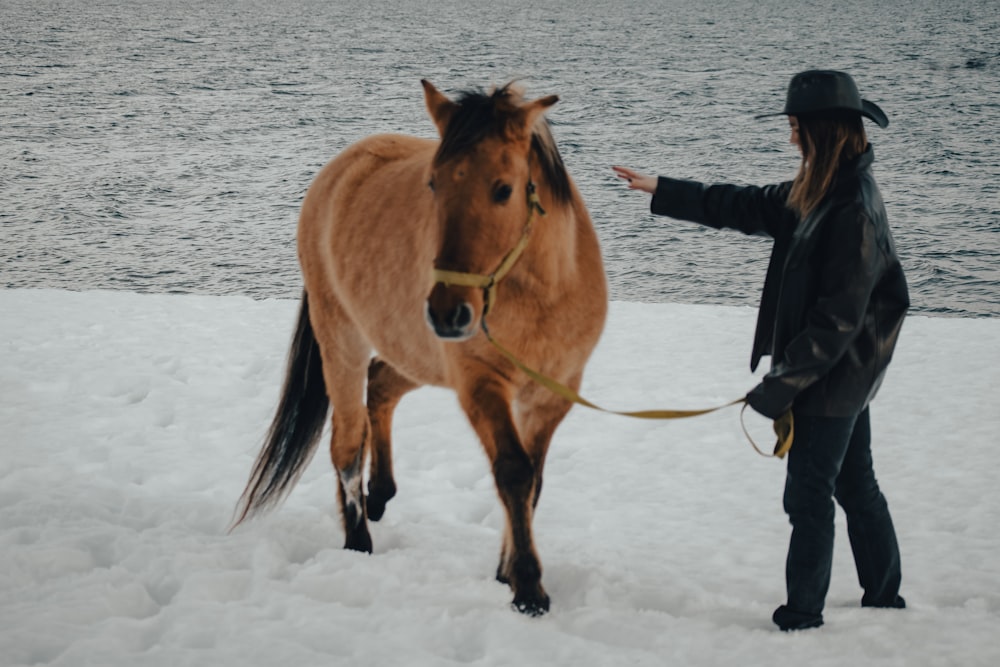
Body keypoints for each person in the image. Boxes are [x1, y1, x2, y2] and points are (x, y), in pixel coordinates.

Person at [613, 70, 909, 631]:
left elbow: (836, 321)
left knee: (810, 495)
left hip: (831, 377)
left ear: (821, 133)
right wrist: (660, 187)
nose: (791, 137)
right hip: (840, 374)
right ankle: (884, 593)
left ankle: (803, 614)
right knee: (853, 483)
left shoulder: (852, 210)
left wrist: (779, 386)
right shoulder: (819, 191)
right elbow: (744, 205)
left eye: (797, 127)